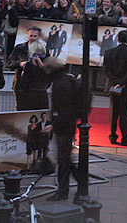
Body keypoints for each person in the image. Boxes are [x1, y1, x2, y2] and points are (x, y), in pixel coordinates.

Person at [44, 57, 81, 202]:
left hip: (64, 126)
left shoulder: (60, 84)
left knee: (63, 159)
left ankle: (63, 191)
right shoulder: (66, 79)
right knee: (65, 158)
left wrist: (53, 124)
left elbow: (64, 109)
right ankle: (81, 183)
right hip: (66, 124)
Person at [103, 30, 127, 146]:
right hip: (126, 87)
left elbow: (106, 69)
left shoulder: (109, 52)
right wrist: (122, 82)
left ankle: (113, 136)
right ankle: (126, 138)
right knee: (124, 113)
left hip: (114, 86)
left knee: (113, 112)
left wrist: (115, 82)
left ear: (118, 39)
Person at [7, 27, 51, 110]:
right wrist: (20, 64)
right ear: (27, 36)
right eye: (31, 36)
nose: (33, 38)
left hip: (38, 87)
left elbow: (48, 68)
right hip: (21, 85)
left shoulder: (43, 49)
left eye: (35, 36)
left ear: (38, 37)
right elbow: (9, 63)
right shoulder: (19, 48)